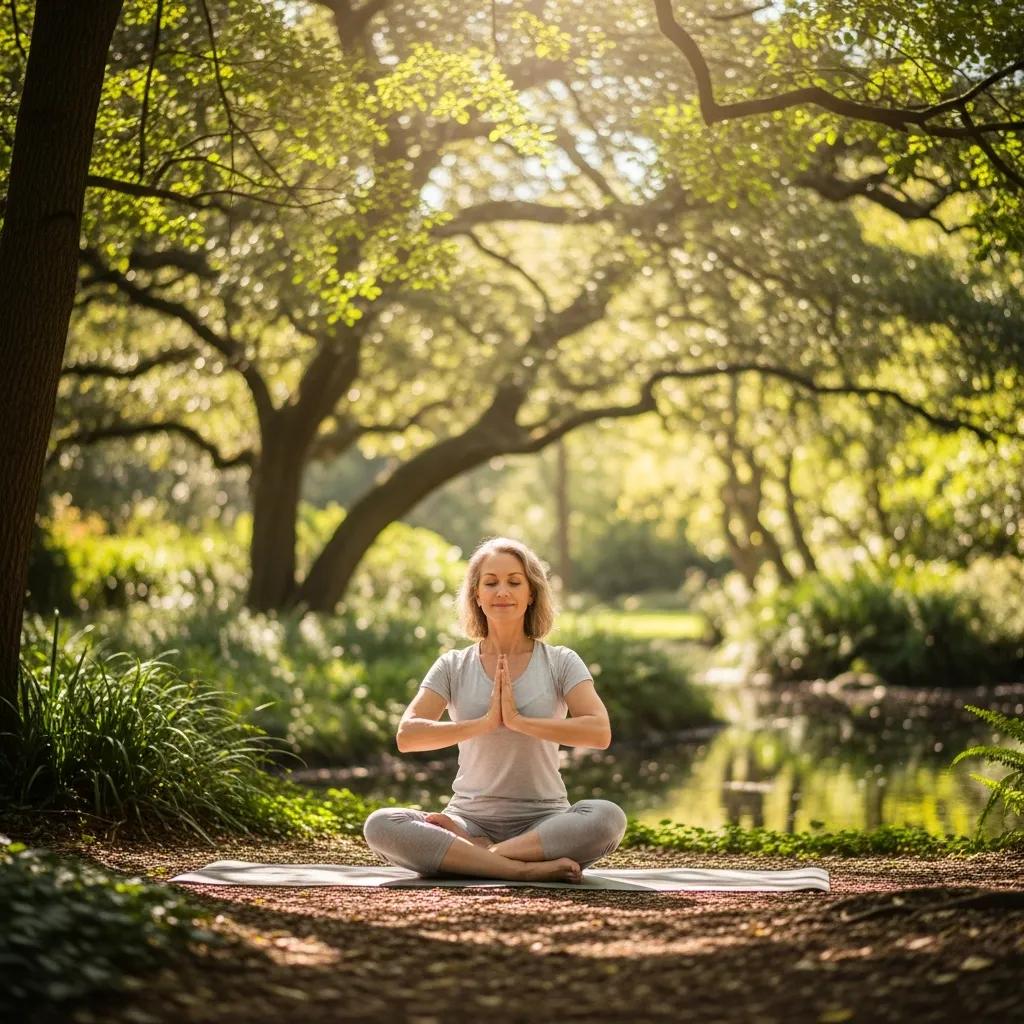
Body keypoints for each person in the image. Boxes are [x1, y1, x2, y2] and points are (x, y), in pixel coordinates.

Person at [363, 537, 628, 883]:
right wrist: (484, 723)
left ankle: (480, 855)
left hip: (545, 821)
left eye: (514, 582)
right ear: (476, 594)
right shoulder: (453, 665)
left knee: (607, 819)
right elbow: (408, 735)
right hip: (466, 819)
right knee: (381, 825)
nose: (502, 591)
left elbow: (599, 731)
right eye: (491, 582)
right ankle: (522, 868)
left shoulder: (561, 661)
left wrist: (520, 722)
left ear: (531, 593)